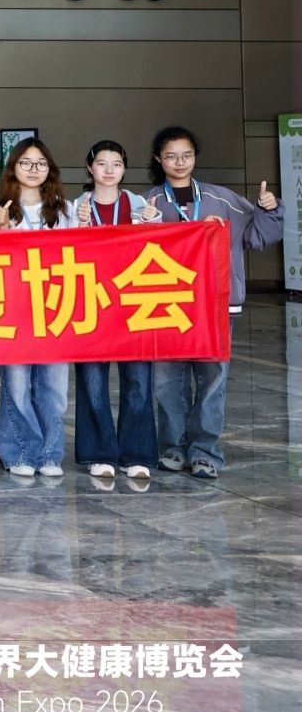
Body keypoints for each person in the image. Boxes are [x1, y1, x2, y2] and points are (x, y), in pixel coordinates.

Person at [143, 126, 284, 479]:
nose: (179, 162)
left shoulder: (223, 199)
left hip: (215, 305)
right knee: (166, 382)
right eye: (171, 156)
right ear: (159, 159)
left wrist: (269, 209)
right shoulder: (148, 203)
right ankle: (172, 447)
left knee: (212, 380)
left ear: (195, 157)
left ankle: (205, 452)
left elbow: (258, 236)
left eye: (186, 155)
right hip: (166, 306)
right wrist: (146, 225)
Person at [71, 139, 162, 481]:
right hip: (91, 303)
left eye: (117, 164)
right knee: (93, 382)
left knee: (138, 381)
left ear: (124, 168)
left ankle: (135, 453)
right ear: (89, 167)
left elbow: (159, 250)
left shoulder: (140, 205)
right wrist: (77, 226)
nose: (109, 170)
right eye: (102, 163)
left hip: (133, 303)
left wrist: (152, 223)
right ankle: (99, 453)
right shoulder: (75, 207)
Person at [0, 137, 76, 478]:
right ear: (13, 168)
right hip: (12, 312)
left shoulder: (65, 211)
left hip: (55, 310)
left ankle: (50, 455)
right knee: (16, 386)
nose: (33, 169)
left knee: (54, 390)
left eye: (41, 163)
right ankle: (20, 453)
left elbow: (80, 254)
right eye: (26, 163)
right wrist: (1, 228)